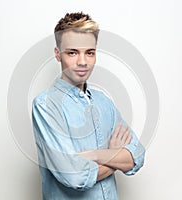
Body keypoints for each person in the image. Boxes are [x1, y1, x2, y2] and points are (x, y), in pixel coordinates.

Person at [32, 12, 145, 200]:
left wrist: (95, 155)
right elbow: (76, 177)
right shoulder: (45, 106)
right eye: (72, 52)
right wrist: (116, 156)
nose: (83, 61)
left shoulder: (104, 102)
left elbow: (137, 156)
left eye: (89, 52)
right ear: (58, 54)